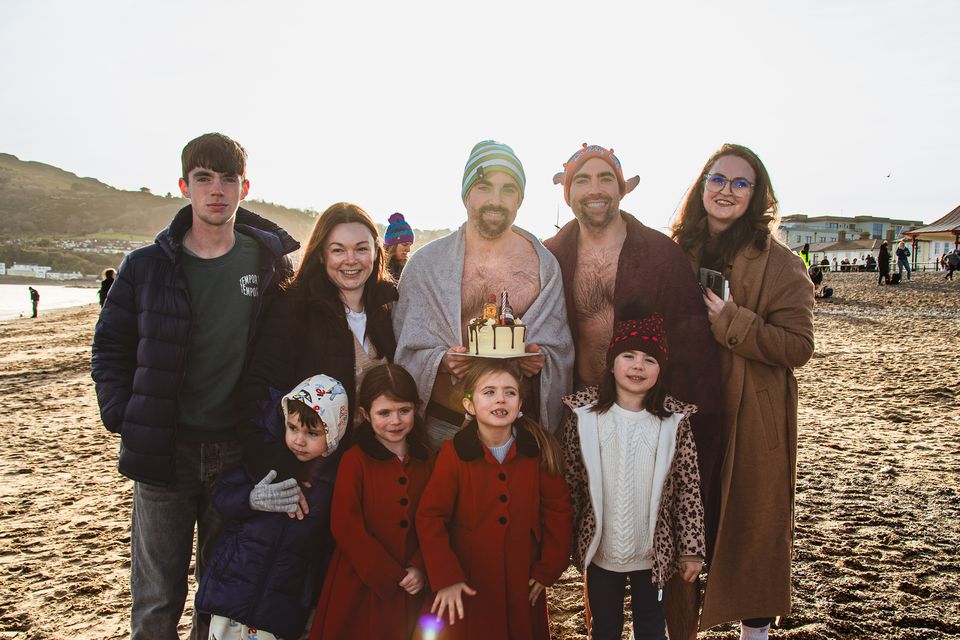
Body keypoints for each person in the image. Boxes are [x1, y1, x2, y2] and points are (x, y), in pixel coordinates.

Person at [91, 132, 299, 639]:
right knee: (157, 598)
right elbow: (110, 350)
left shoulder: (267, 263)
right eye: (204, 178)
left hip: (236, 454)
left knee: (219, 594)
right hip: (165, 453)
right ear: (185, 185)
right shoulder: (147, 266)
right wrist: (124, 414)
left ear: (244, 187)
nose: (217, 190)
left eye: (228, 179)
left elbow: (286, 351)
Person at [544, 143, 721, 638]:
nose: (595, 190)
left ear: (622, 186)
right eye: (583, 180)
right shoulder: (552, 254)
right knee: (599, 528)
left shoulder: (660, 254)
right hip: (585, 410)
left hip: (652, 411)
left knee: (653, 521)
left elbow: (691, 347)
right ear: (567, 189)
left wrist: (689, 421)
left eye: (605, 178)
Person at [671, 143, 814, 638]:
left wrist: (732, 322)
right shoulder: (677, 250)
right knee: (681, 517)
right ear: (702, 185)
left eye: (740, 182)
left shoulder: (780, 264)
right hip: (686, 405)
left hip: (751, 414)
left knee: (753, 527)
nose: (726, 190)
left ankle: (755, 631)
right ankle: (677, 627)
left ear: (756, 196)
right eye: (717, 179)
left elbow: (798, 346)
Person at [393, 140, 573, 448]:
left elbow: (561, 351)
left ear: (520, 198)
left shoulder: (543, 266)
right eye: (484, 187)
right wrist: (440, 360)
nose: (496, 200)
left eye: (508, 189)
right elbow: (403, 348)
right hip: (442, 427)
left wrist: (539, 361)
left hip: (515, 431)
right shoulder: (426, 266)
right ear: (466, 194)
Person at [561, 301, 705, 640]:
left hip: (653, 555)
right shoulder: (584, 417)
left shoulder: (673, 422)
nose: (638, 366)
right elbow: (570, 482)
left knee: (651, 629)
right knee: (604, 628)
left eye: (649, 359)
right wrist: (565, 542)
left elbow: (688, 487)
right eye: (629, 356)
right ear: (612, 363)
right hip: (601, 552)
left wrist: (690, 549)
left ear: (660, 370)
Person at [238, 202, 398, 484]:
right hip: (319, 475)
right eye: (338, 250)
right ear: (322, 255)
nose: (351, 259)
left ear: (375, 251)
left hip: (377, 468)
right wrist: (283, 469)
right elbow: (259, 393)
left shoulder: (390, 309)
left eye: (361, 248)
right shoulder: (294, 309)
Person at [415, 359, 572, 639]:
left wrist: (550, 565)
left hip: (521, 578)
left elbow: (558, 510)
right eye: (489, 392)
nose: (500, 398)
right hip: (469, 580)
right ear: (470, 405)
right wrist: (446, 577)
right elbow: (430, 517)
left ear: (520, 404)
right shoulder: (454, 454)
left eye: (509, 392)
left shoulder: (536, 451)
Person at [196, 374, 346, 640]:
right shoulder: (266, 461)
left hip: (278, 606)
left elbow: (325, 550)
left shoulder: (332, 484)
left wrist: (311, 600)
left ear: (334, 433)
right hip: (232, 591)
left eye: (312, 433)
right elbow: (221, 497)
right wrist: (252, 499)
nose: (299, 440)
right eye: (293, 428)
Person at [310, 364, 434, 640]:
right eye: (384, 413)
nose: (395, 421)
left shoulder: (427, 460)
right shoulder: (355, 461)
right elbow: (345, 525)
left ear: (416, 408)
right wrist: (389, 574)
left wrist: (419, 566)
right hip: (361, 582)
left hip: (413, 584)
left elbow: (435, 519)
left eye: (404, 410)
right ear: (366, 414)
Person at [384, 211, 415, 281]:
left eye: (410, 245)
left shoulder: (409, 269)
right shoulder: (377, 269)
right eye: (405, 244)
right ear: (392, 246)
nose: (408, 250)